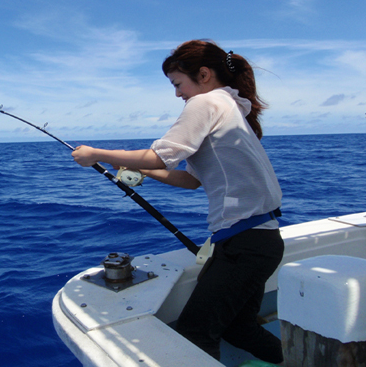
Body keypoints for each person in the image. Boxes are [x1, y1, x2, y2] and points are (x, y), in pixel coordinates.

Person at [71, 40, 284, 364]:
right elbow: (191, 180)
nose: (177, 94)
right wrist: (141, 169)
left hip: (245, 244)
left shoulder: (207, 102)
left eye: (177, 84)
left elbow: (160, 155)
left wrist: (94, 154)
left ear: (204, 74)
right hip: (257, 240)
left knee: (196, 335)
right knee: (238, 329)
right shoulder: (229, 108)